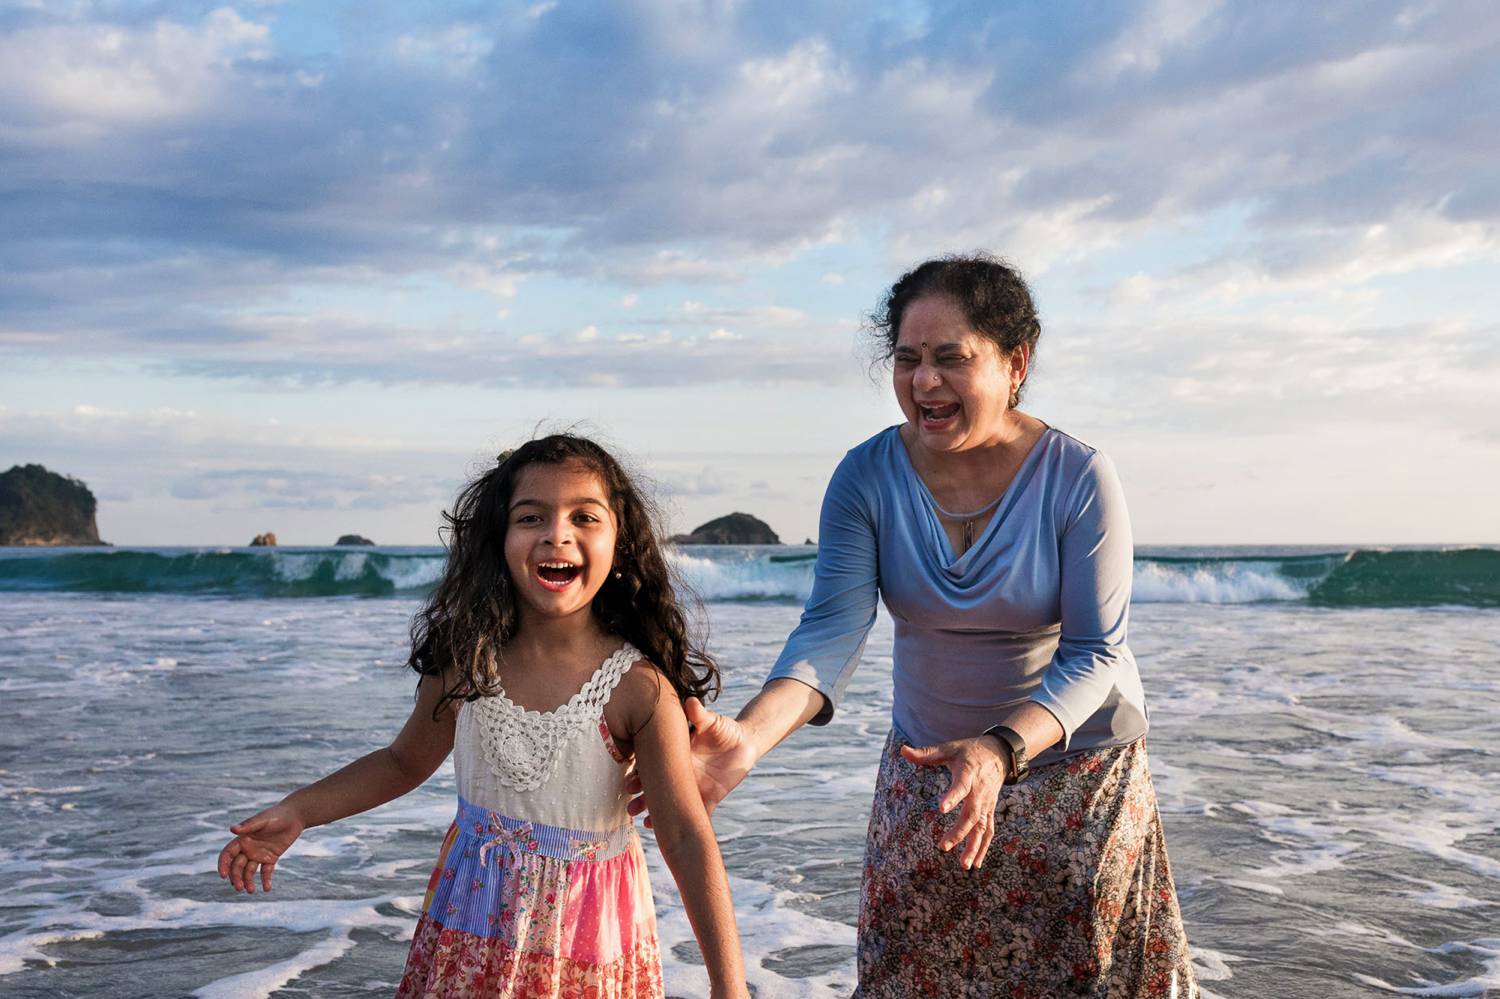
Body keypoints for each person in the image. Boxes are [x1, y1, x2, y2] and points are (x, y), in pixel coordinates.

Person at [639, 254, 1199, 997]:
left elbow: (1097, 653)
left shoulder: (1078, 477)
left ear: (1016, 363)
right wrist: (749, 737)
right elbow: (830, 629)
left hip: (1076, 780)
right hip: (928, 777)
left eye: (951, 359)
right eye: (907, 359)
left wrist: (999, 750)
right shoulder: (866, 476)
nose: (924, 381)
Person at [217, 434, 749, 999]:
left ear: (620, 543)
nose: (557, 533)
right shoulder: (466, 660)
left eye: (584, 517)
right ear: (498, 539)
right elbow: (402, 763)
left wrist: (728, 984)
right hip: (467, 932)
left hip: (584, 944)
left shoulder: (637, 688)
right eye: (531, 517)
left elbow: (684, 834)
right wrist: (300, 811)